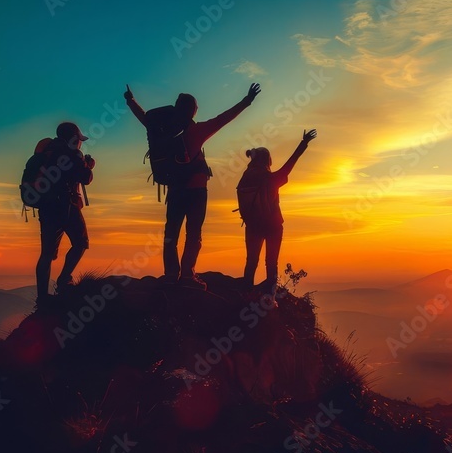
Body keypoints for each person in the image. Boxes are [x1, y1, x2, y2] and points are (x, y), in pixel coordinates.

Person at [125, 83, 261, 290]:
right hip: (196, 191)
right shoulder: (196, 131)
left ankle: (171, 275)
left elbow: (143, 117)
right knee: (194, 233)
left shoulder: (160, 130)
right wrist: (247, 101)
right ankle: (188, 276)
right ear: (192, 111)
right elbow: (223, 119)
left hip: (175, 189)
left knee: (171, 233)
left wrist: (130, 101)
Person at [237, 129, 317, 291]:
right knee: (271, 262)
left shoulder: (245, 177)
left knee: (251, 261)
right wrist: (303, 144)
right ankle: (270, 297)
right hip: (273, 225)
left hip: (252, 225)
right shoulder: (271, 179)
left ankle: (246, 292)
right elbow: (290, 164)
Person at [35, 121, 95, 304]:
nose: (80, 143)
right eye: (79, 139)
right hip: (67, 206)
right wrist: (88, 165)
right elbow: (86, 179)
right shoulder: (73, 153)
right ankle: (63, 280)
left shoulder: (46, 151)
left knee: (46, 253)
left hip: (47, 207)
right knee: (81, 242)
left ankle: (42, 297)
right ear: (74, 138)